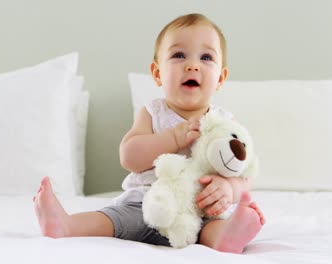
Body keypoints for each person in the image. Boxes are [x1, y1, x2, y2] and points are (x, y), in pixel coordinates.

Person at [33, 13, 265, 253]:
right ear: (157, 73)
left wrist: (229, 189)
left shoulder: (225, 123)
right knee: (113, 219)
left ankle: (226, 238)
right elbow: (129, 157)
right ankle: (65, 225)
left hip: (199, 210)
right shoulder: (153, 113)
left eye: (206, 57)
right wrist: (173, 138)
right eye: (178, 55)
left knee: (214, 225)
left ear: (220, 78)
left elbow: (244, 175)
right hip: (147, 205)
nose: (192, 65)